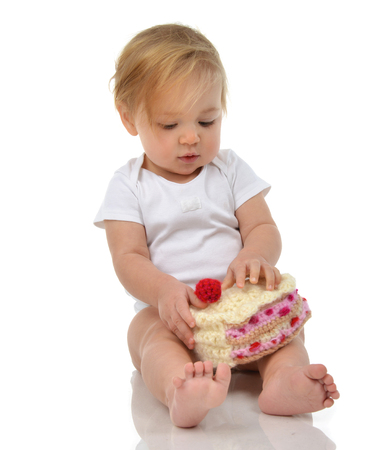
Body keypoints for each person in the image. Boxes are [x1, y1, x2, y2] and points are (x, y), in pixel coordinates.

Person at [94, 23, 339, 428]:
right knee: (145, 336)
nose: (190, 138)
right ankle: (181, 389)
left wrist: (254, 254)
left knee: (288, 336)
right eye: (170, 125)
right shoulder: (128, 185)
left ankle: (281, 381)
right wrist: (163, 291)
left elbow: (262, 225)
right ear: (128, 118)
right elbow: (128, 257)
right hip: (176, 320)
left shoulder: (229, 169)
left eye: (206, 121)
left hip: (243, 313)